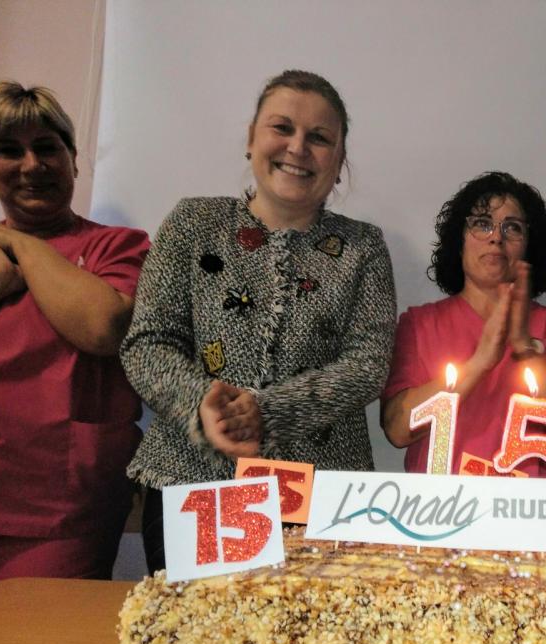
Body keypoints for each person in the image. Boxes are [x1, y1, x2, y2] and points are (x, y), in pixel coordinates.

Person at [122, 70, 396, 573]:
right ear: (251, 139)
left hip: (323, 491)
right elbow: (148, 343)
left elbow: (368, 365)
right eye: (282, 128)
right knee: (193, 621)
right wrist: (204, 404)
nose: (298, 148)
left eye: (319, 137)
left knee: (309, 622)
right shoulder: (193, 223)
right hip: (193, 478)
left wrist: (267, 413)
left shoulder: (364, 247)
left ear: (339, 162)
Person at [0, 82, 149, 581]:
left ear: (74, 161)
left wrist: (20, 244)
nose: (31, 165)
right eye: (8, 150)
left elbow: (103, 328)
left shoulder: (116, 247)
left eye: (47, 148)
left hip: (63, 510)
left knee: (39, 631)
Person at [381, 171, 546, 476]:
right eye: (482, 224)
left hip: (529, 503)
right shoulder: (419, 324)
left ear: (530, 246)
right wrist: (479, 362)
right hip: (438, 503)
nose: (496, 237)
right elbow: (397, 430)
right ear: (459, 240)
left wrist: (524, 347)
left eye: (513, 227)